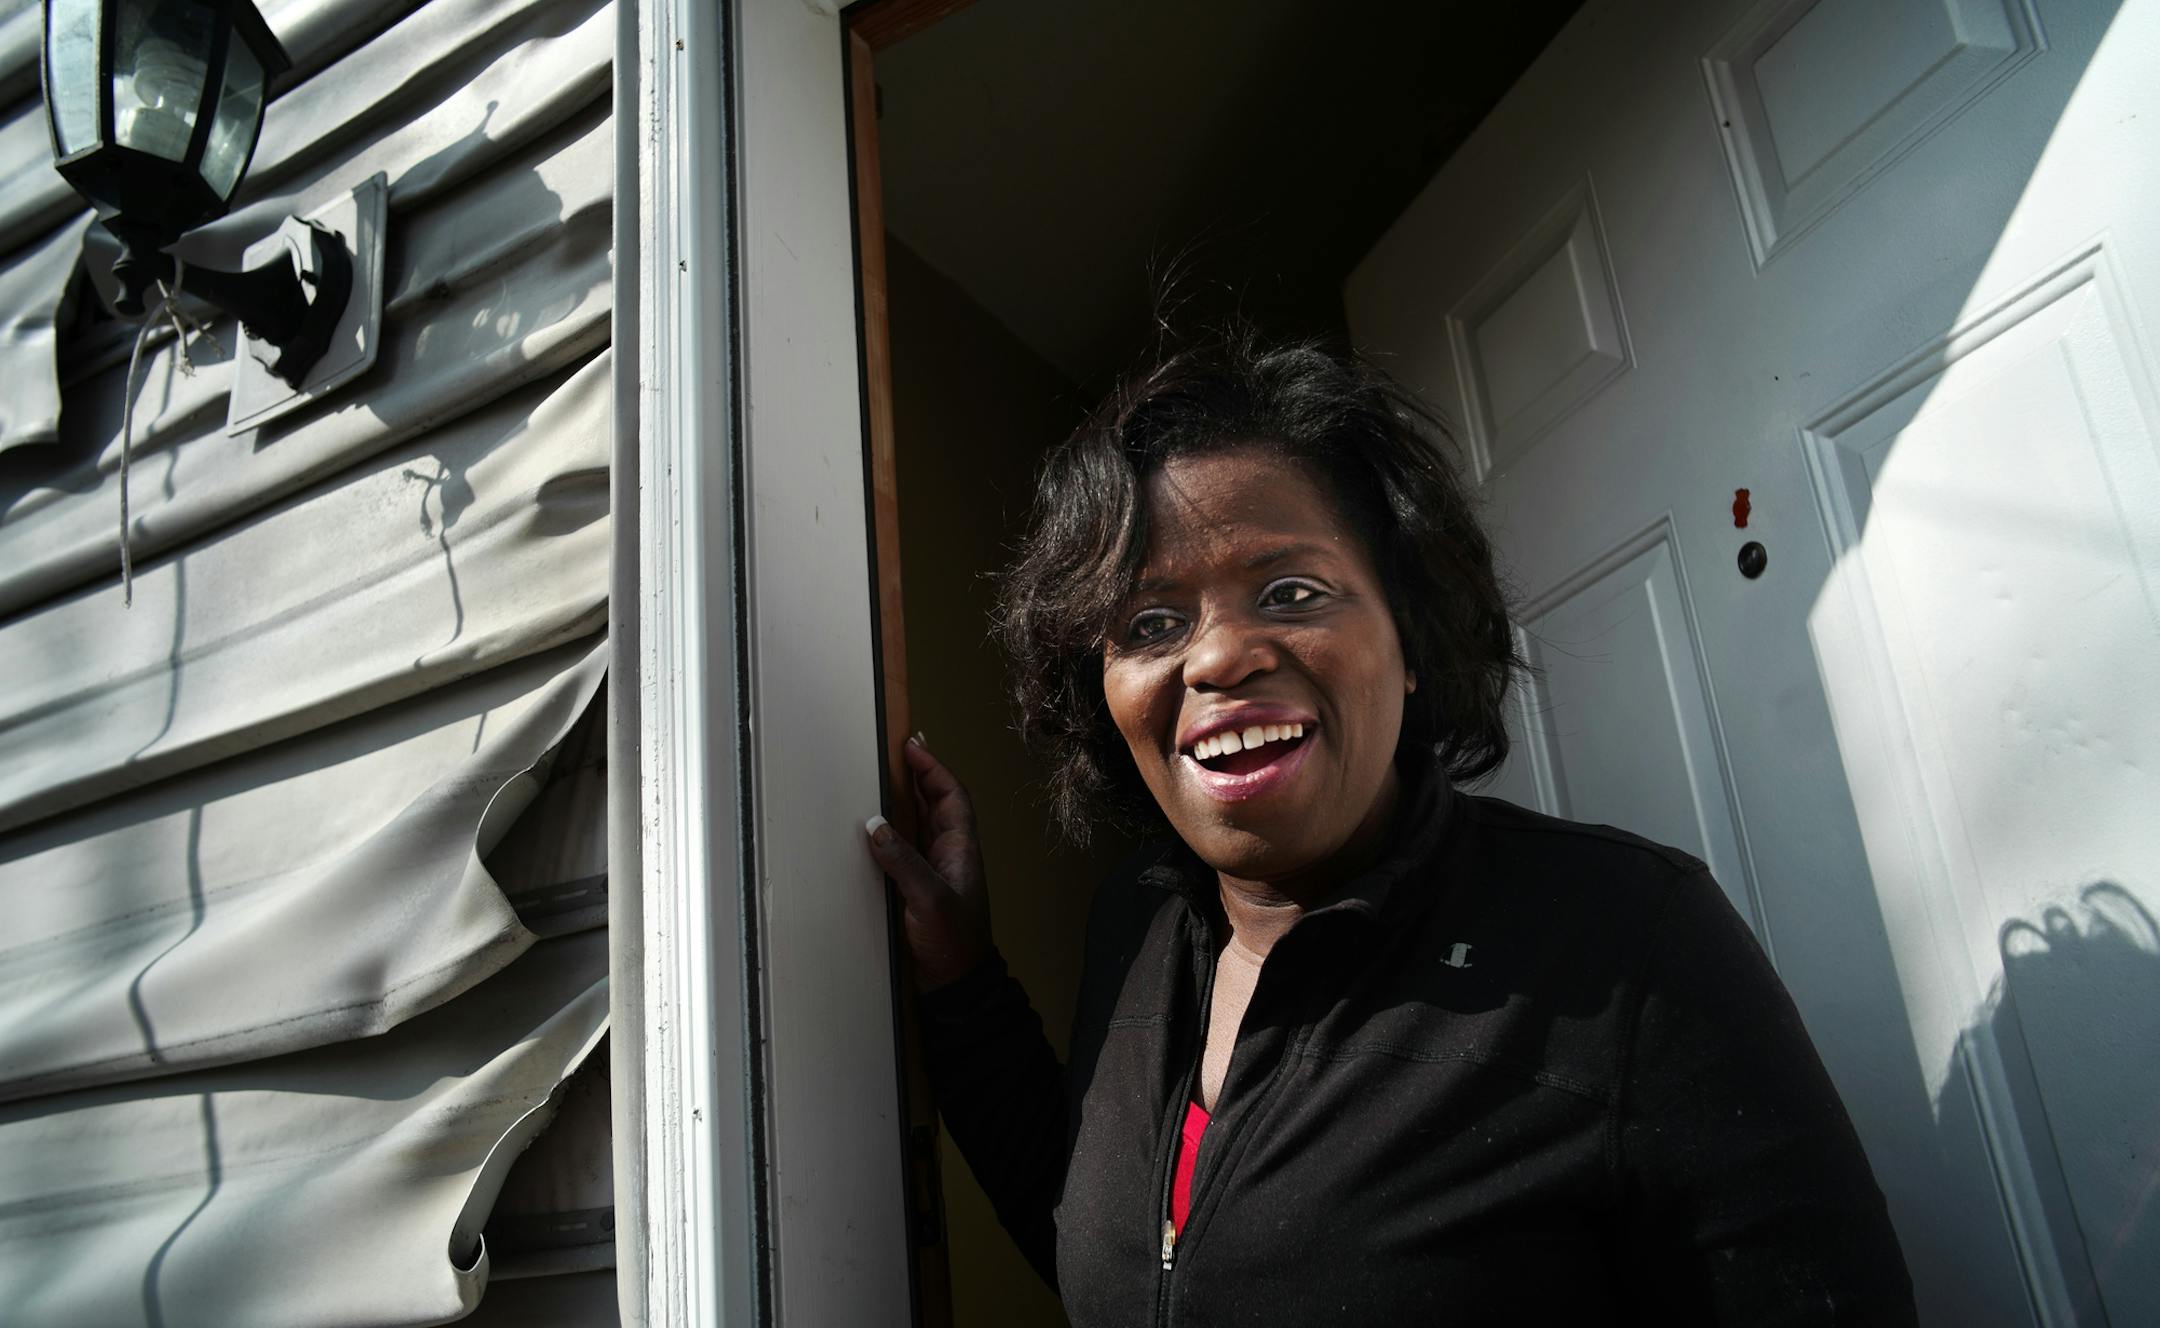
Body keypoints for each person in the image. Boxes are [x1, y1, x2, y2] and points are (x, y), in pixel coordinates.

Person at [863, 326, 1916, 1325]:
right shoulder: (1133, 926)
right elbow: (1110, 1255)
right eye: (1150, 622)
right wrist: (961, 977)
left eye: (1290, 591)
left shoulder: (1631, 943)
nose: (1218, 656)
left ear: (1408, 640)